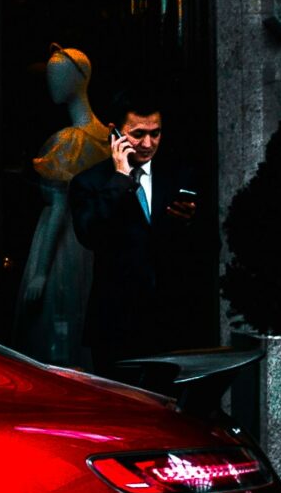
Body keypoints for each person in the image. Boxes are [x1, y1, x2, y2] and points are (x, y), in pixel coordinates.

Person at [68, 82, 203, 372]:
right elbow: (89, 234)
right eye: (138, 134)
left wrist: (190, 223)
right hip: (115, 325)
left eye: (155, 133)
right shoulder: (89, 183)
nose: (148, 143)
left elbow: (205, 247)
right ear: (114, 132)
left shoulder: (179, 176)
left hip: (170, 323)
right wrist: (120, 178)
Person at [15, 45, 108, 366]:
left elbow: (57, 206)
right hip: (87, 237)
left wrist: (40, 272)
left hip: (63, 241)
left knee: (60, 313)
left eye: (58, 76)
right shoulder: (105, 136)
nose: (52, 84)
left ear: (77, 79)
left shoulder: (72, 141)